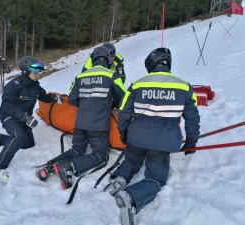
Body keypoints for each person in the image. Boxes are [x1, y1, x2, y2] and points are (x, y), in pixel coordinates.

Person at [105, 47, 200, 225]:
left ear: (151, 64)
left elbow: (124, 113)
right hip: (162, 143)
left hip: (136, 138)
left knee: (131, 161)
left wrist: (125, 135)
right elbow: (192, 119)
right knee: (156, 178)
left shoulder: (137, 84)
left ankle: (118, 180)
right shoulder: (184, 86)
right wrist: (191, 142)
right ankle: (131, 197)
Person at [36, 46, 128, 189]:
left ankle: (49, 167)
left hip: (80, 122)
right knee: (100, 155)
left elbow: (72, 99)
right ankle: (69, 166)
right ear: (108, 60)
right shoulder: (111, 75)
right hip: (99, 124)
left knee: (77, 149)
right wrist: (110, 104)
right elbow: (124, 98)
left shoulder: (80, 76)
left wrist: (87, 105)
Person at [0, 56, 62, 185]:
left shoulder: (35, 85)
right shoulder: (14, 85)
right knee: (19, 136)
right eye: (35, 71)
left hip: (23, 118)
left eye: (39, 70)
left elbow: (43, 96)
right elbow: (6, 105)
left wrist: (54, 98)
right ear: (26, 71)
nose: (38, 73)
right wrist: (24, 116)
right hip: (8, 115)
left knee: (27, 144)